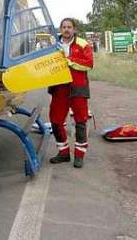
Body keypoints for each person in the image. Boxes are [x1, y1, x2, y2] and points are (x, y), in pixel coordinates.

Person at [48, 18, 94, 168]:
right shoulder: (53, 45)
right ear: (60, 29)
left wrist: (69, 59)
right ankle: (63, 153)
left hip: (78, 87)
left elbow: (88, 63)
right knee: (55, 121)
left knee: (80, 121)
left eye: (69, 27)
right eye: (64, 27)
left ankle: (79, 155)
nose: (66, 29)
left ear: (74, 29)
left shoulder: (83, 44)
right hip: (59, 87)